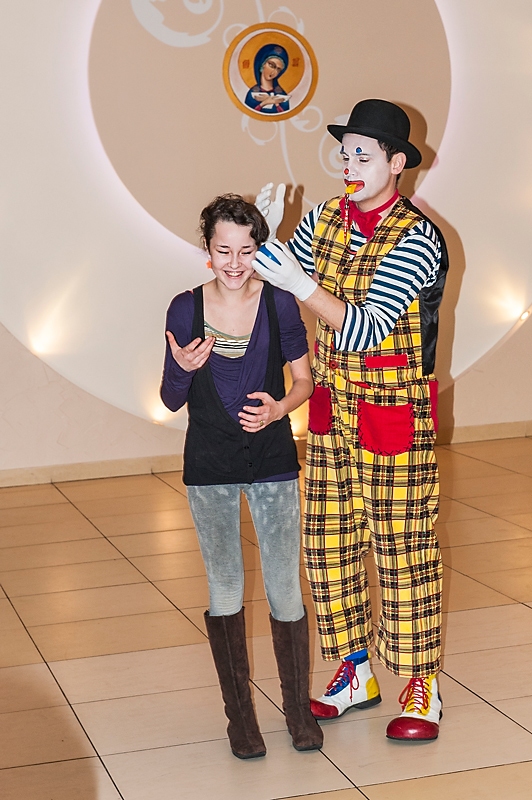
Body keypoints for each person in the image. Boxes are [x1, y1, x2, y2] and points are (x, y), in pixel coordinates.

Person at [252, 99, 449, 741]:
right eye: (344, 152)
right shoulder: (325, 218)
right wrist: (264, 239)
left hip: (394, 413)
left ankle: (421, 685)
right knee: (328, 543)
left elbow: (366, 326)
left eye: (363, 154)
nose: (349, 164)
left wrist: (298, 281)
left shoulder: (418, 238)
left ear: (397, 163)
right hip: (334, 410)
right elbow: (278, 278)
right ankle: (355, 671)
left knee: (403, 546)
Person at [160, 194, 322, 759]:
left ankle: (298, 713)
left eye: (246, 250)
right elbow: (171, 398)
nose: (234, 263)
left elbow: (303, 382)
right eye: (223, 250)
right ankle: (241, 720)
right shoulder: (184, 309)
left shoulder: (280, 303)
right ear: (207, 249)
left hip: (273, 460)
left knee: (284, 587)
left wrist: (280, 410)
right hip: (210, 463)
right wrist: (182, 369)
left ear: (260, 250)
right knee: (225, 587)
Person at [244, 43, 290, 114]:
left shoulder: (281, 95)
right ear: (263, 64)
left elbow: (285, 115)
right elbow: (248, 114)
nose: (274, 72)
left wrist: (275, 103)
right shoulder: (252, 94)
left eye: (278, 69)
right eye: (271, 65)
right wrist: (264, 103)